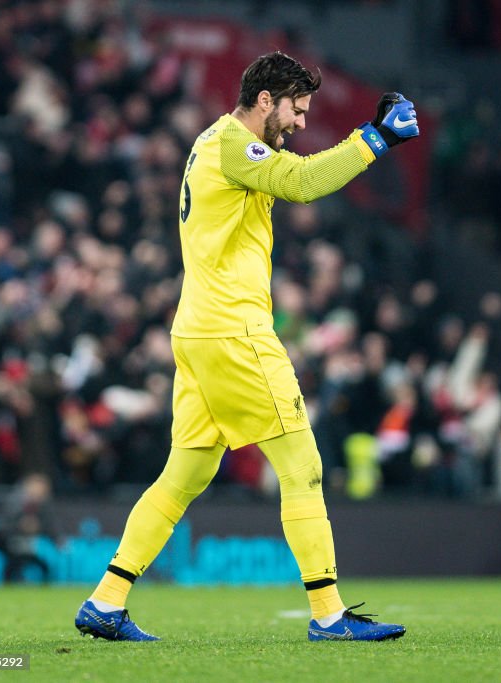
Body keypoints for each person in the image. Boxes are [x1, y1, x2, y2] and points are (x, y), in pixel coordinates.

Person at [74, 51, 418, 642]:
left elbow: (292, 168)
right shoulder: (235, 145)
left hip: (198, 330)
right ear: (266, 100)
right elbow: (305, 182)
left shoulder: (215, 143)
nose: (302, 124)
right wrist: (376, 138)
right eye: (297, 110)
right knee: (303, 469)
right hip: (235, 333)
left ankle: (106, 601)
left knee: (183, 475)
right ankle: (329, 615)